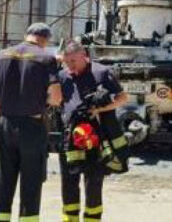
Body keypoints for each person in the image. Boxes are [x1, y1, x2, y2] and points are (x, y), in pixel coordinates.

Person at [0, 23, 62, 222]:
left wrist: (9, 100)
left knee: (3, 181)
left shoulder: (2, 55)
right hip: (32, 127)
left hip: (5, 124)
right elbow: (56, 98)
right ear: (44, 39)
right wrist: (40, 100)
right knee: (31, 183)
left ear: (27, 35)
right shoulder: (46, 58)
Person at [58, 39, 130, 222]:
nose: (70, 66)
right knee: (68, 181)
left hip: (95, 137)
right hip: (70, 137)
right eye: (67, 62)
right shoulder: (63, 76)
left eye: (73, 61)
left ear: (84, 56)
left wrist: (98, 110)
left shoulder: (101, 73)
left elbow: (122, 99)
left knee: (93, 182)